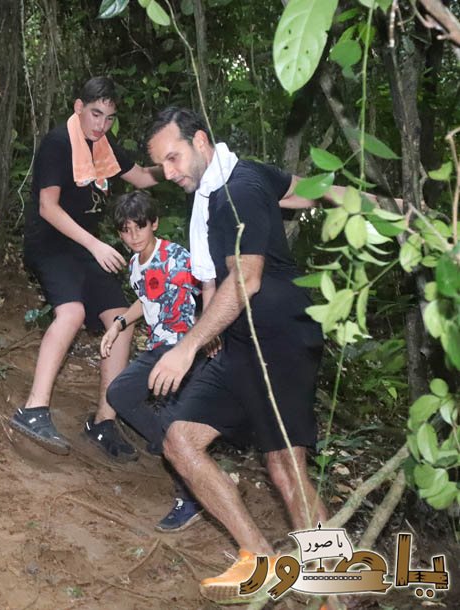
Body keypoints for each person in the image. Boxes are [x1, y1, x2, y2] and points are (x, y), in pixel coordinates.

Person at [145, 107, 327, 604]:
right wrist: (381, 203)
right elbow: (306, 189)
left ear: (201, 140)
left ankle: (341, 592)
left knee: (287, 469)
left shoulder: (236, 191)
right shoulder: (229, 181)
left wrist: (187, 347)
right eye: (162, 165)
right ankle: (261, 560)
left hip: (281, 338)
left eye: (175, 157)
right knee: (180, 441)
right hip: (243, 343)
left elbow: (246, 278)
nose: (171, 172)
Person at [9, 76, 165, 461]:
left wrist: (179, 165)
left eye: (109, 118)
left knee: (120, 319)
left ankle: (103, 422)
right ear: (79, 107)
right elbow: (48, 207)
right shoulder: (58, 144)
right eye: (96, 114)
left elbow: (143, 176)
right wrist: (96, 244)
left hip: (85, 251)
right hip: (51, 244)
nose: (101, 125)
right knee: (73, 312)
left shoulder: (105, 148)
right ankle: (33, 409)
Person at [101, 191, 205, 531]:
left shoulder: (176, 257)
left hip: (186, 350)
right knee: (119, 394)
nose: (133, 236)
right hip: (159, 348)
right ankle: (166, 443)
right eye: (126, 230)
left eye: (139, 227)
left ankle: (189, 497)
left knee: (177, 420)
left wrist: (211, 337)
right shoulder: (135, 265)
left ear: (154, 224)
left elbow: (209, 291)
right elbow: (146, 302)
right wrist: (117, 325)